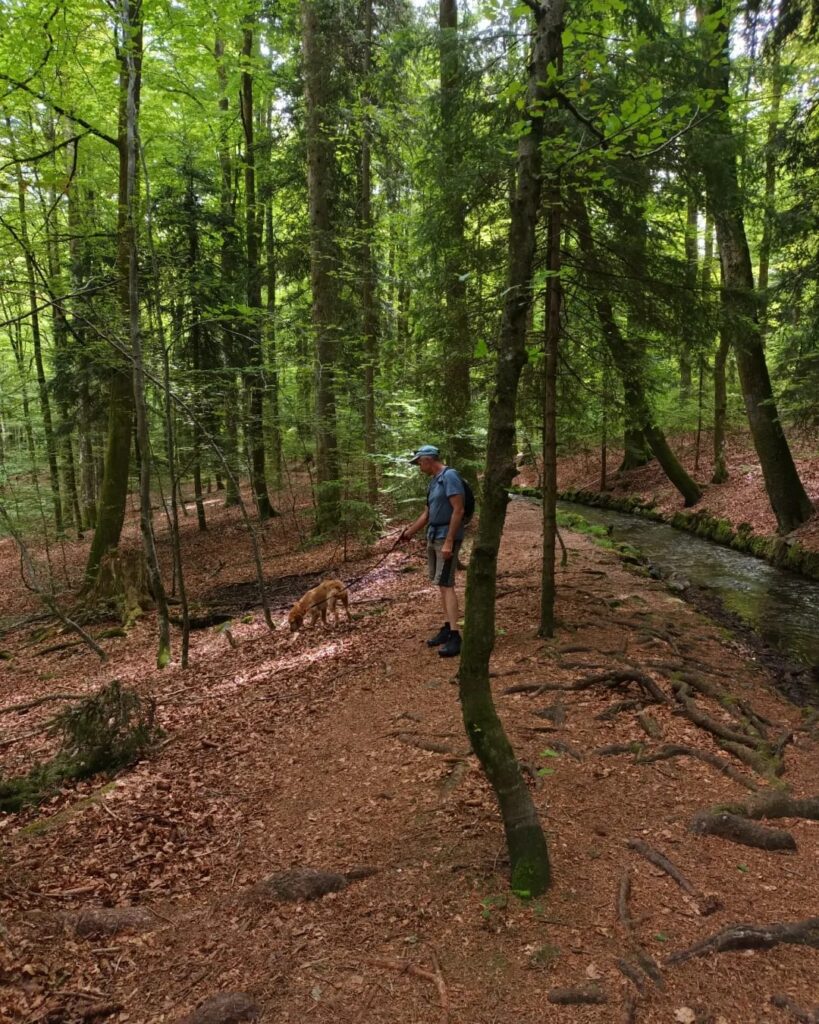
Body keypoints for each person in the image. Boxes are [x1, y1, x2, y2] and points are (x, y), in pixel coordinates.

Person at [399, 445, 466, 658]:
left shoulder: (450, 476)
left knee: (447, 584)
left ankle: (456, 636)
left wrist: (448, 542)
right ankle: (448, 627)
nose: (418, 466)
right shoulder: (434, 482)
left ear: (428, 459)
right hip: (433, 536)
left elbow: (459, 509)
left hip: (446, 537)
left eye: (419, 462)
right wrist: (408, 533)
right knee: (441, 584)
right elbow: (427, 513)